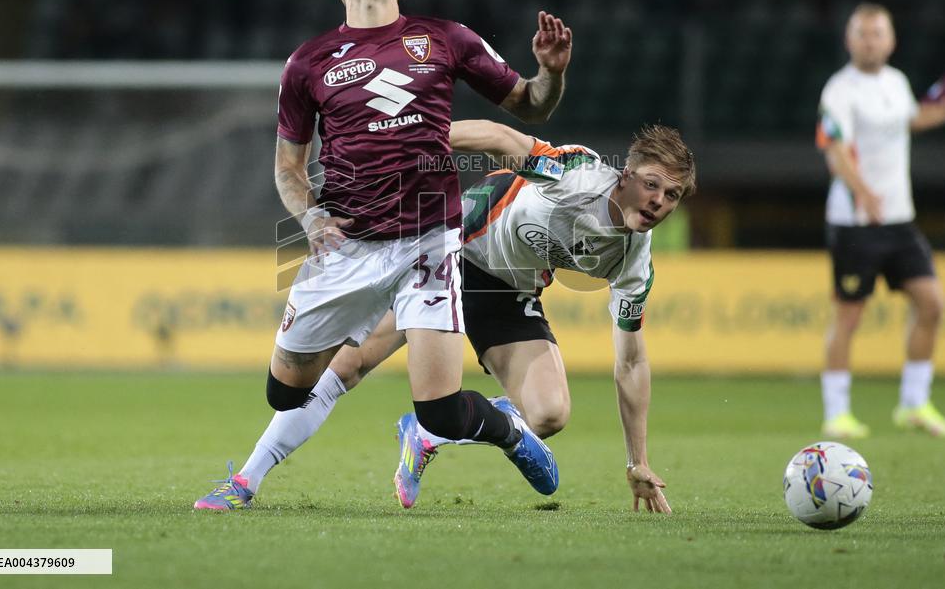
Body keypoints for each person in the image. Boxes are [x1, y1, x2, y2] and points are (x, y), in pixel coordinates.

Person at [194, 0, 574, 510]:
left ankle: (508, 431)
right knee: (284, 392)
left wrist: (551, 74)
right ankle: (253, 471)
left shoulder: (446, 38)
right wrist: (310, 217)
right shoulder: (308, 63)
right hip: (346, 245)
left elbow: (532, 104)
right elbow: (288, 168)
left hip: (429, 241)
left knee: (440, 412)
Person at [198, 117, 695, 513]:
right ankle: (245, 480)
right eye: (652, 185)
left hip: (505, 288)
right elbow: (499, 137)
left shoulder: (635, 260)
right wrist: (416, 141)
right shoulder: (579, 174)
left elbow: (632, 361)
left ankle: (427, 432)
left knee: (548, 414)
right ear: (626, 175)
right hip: (449, 248)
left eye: (671, 195)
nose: (658, 202)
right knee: (345, 367)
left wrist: (637, 461)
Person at [816, 3, 945, 439]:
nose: (870, 41)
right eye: (863, 33)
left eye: (877, 33)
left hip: (899, 219)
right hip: (855, 222)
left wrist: (944, 108)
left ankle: (914, 404)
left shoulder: (896, 82)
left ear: (891, 40)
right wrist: (863, 191)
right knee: (849, 317)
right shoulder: (840, 90)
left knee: (932, 304)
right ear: (849, 39)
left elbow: (910, 120)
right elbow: (834, 150)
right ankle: (837, 412)